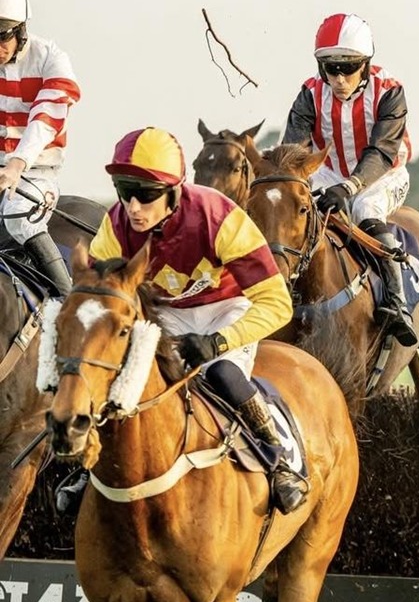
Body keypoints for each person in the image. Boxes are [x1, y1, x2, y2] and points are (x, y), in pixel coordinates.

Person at [55, 127, 308, 516]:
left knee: (222, 373)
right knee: (124, 377)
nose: (134, 206)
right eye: (125, 191)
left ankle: (278, 460)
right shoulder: (116, 225)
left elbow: (276, 303)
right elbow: (103, 298)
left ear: (174, 191)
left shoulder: (219, 217)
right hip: (166, 310)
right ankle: (92, 468)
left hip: (228, 307)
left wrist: (218, 342)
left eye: (147, 195)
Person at [280, 12, 418, 347]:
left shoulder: (390, 92)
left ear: (366, 64)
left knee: (364, 209)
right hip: (329, 172)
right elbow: (294, 152)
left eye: (348, 67)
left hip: (383, 173)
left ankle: (397, 301)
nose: (339, 78)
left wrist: (350, 186)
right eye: (331, 68)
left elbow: (383, 152)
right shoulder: (309, 94)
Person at [0, 0, 80, 297]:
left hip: (36, 175)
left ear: (21, 30)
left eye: (2, 36)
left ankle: (65, 301)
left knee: (19, 216)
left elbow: (46, 116)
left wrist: (17, 164)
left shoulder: (51, 58)